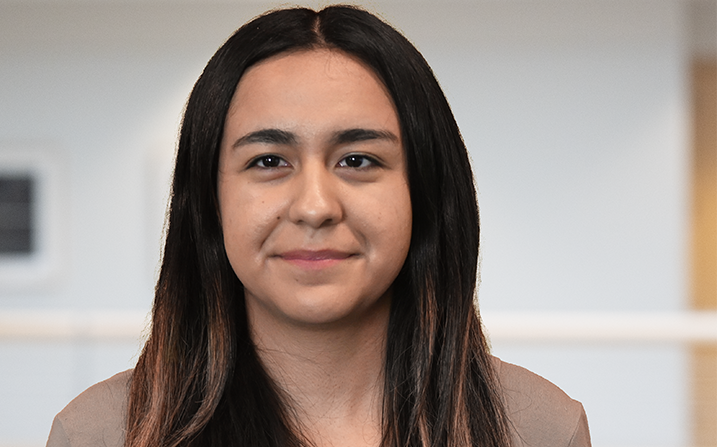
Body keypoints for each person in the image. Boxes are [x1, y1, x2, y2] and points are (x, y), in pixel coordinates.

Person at [46, 5, 590, 447]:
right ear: (210, 200)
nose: (314, 206)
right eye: (268, 161)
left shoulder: (539, 429)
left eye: (357, 160)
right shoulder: (101, 434)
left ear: (423, 191)